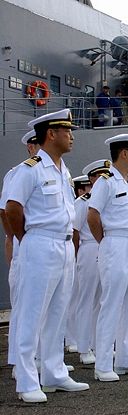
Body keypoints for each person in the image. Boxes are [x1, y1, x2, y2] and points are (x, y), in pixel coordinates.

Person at [5, 109, 90, 402]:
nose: (71, 136)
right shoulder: (30, 169)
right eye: (66, 131)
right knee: (32, 313)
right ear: (51, 134)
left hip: (64, 245)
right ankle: (27, 380)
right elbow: (13, 208)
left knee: (58, 312)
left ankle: (53, 372)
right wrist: (26, 238)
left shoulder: (63, 170)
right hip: (39, 243)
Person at [87, 133, 128, 381]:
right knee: (112, 303)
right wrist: (105, 242)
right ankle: (103, 363)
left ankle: (125, 358)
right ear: (123, 153)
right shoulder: (106, 182)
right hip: (115, 242)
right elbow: (92, 215)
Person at [0, 130, 40, 376]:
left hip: (42, 245)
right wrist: (17, 240)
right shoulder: (18, 173)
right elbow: (6, 212)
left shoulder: (59, 171)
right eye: (36, 144)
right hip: (24, 244)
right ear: (30, 147)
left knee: (42, 308)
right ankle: (18, 361)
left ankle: (42, 358)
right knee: (23, 305)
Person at [73, 159, 112, 367]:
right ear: (91, 179)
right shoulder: (83, 202)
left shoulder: (109, 197)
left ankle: (99, 345)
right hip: (89, 249)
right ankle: (83, 347)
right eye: (99, 176)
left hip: (106, 247)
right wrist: (77, 256)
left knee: (101, 300)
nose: (104, 179)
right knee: (86, 300)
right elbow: (75, 232)